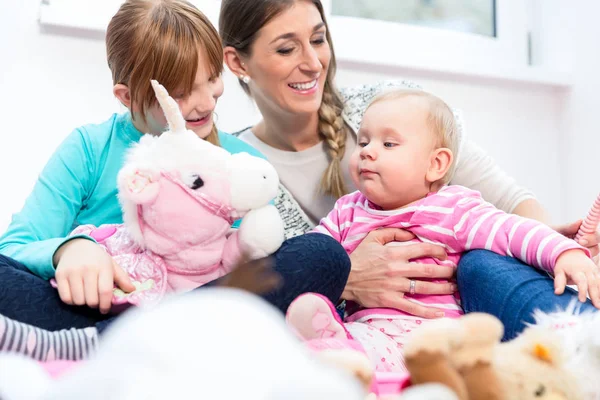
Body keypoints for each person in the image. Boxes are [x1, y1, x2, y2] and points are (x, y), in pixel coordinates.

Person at [218, 0, 600, 340]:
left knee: (480, 262)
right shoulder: (235, 171)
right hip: (362, 327)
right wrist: (346, 277)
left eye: (318, 40)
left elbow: (508, 207)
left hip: (452, 310)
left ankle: (584, 339)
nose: (314, 62)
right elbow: (268, 286)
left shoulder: (391, 107)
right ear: (237, 62)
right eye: (287, 48)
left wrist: (556, 249)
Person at [0, 0, 349, 361]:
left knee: (323, 256)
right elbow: (15, 244)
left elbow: (250, 277)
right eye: (180, 93)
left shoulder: (242, 166)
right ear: (127, 97)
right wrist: (68, 251)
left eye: (212, 78)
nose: (204, 104)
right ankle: (120, 345)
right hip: (105, 308)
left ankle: (97, 347)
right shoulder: (90, 148)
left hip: (197, 312)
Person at [283, 88, 599, 373]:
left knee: (349, 355)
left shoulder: (453, 207)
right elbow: (313, 261)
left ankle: (338, 356)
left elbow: (510, 230)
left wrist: (563, 251)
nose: (367, 151)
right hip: (364, 330)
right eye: (364, 141)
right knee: (325, 340)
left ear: (436, 164)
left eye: (388, 143)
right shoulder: (346, 211)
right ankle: (331, 353)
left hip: (429, 338)